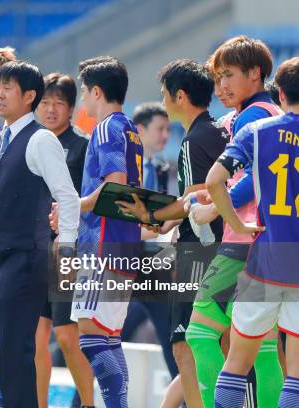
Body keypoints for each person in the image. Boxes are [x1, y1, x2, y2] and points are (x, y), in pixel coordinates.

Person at [0, 61, 80, 407]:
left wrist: (67, 251)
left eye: (7, 87)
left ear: (29, 96)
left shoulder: (40, 139)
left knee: (16, 351)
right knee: (5, 352)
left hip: (27, 258)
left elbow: (67, 197)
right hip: (0, 260)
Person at [117, 59, 229, 407]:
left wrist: (156, 214)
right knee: (219, 343)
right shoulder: (220, 130)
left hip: (200, 252)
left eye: (165, 95)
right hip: (226, 250)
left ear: (180, 96)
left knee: (185, 346)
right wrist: (163, 219)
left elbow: (197, 193)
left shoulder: (194, 140)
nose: (163, 100)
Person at [185, 36, 284, 408]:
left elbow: (252, 178)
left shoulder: (253, 117)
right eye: (217, 77)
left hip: (242, 241)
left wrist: (215, 208)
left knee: (199, 333)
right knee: (264, 344)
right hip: (273, 242)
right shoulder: (274, 114)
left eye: (228, 75)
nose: (221, 85)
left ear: (255, 73)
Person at [207, 56, 299, 408]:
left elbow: (216, 180)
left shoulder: (256, 131)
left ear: (281, 90)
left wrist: (234, 222)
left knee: (236, 363)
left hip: (264, 260)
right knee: (295, 374)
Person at [68, 56, 142, 408]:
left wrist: (75, 204)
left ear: (97, 91)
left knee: (91, 337)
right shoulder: (130, 129)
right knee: (109, 338)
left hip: (102, 244)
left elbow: (115, 185)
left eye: (84, 93)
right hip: (124, 243)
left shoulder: (106, 128)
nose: (83, 101)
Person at [33, 72, 93, 408]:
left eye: (59, 103)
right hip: (34, 249)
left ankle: (88, 403)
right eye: (45, 102)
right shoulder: (31, 142)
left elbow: (88, 200)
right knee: (36, 335)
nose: (51, 109)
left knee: (68, 336)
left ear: (71, 109)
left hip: (67, 251)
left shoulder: (82, 147)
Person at [121, 102, 179, 383]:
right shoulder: (121, 166)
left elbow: (158, 219)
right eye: (160, 128)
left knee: (171, 334)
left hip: (151, 260)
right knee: (103, 339)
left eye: (168, 129)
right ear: (140, 130)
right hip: (119, 259)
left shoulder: (160, 167)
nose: (166, 135)